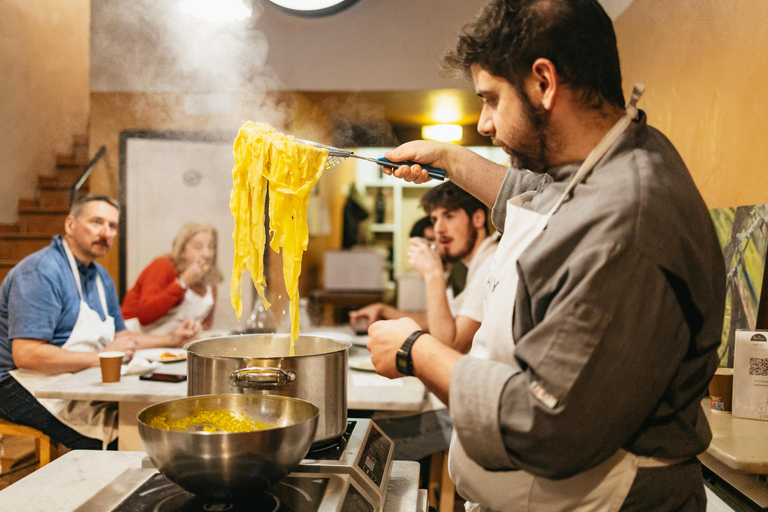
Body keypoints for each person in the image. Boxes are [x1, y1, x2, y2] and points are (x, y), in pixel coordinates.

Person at [366, 1, 726, 510]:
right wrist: (447, 158)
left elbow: (546, 423)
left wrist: (415, 351)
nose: (485, 124)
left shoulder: (627, 223)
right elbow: (536, 200)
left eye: (491, 100)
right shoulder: (610, 158)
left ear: (543, 83)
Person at [0, 194, 199, 450]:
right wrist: (101, 358)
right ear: (70, 225)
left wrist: (172, 339)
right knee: (120, 439)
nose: (106, 233)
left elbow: (121, 339)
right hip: (16, 382)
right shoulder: (41, 272)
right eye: (96, 222)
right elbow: (27, 355)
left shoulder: (99, 276)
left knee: (151, 421)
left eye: (112, 226)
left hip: (73, 376)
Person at [350, 182, 498, 353]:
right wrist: (383, 310)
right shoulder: (478, 264)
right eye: (435, 219)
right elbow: (440, 322)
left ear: (478, 219)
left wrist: (432, 272)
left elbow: (450, 345)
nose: (438, 229)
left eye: (449, 216)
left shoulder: (490, 265)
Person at [122, 222, 223, 335]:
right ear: (182, 251)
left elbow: (206, 324)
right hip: (134, 339)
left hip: (172, 346)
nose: (207, 254)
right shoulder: (163, 265)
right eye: (198, 247)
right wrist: (183, 283)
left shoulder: (210, 283)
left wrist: (195, 328)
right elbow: (145, 315)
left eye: (211, 247)